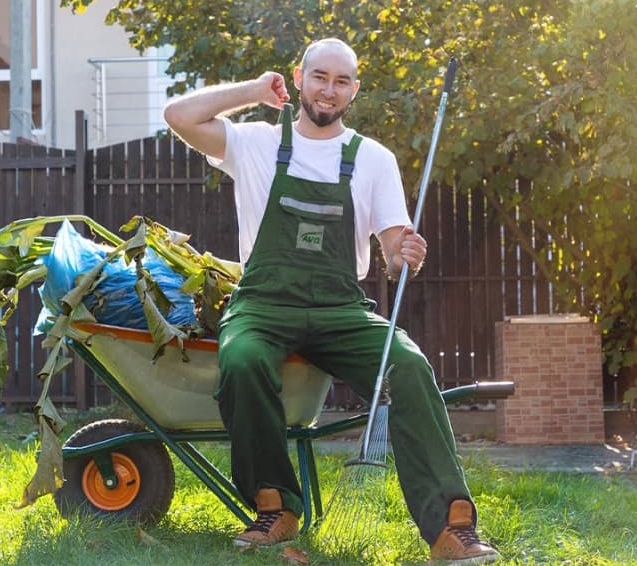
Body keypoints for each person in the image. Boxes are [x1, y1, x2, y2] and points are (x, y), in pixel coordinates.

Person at [163, 38, 499, 564]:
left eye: (342, 81)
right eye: (320, 77)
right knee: (242, 359)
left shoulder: (372, 158)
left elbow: (391, 252)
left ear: (354, 90)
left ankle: (451, 525)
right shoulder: (253, 143)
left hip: (341, 308)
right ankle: (276, 507)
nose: (329, 89)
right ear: (299, 79)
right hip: (264, 304)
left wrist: (404, 254)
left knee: (408, 366)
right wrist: (254, 90)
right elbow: (177, 114)